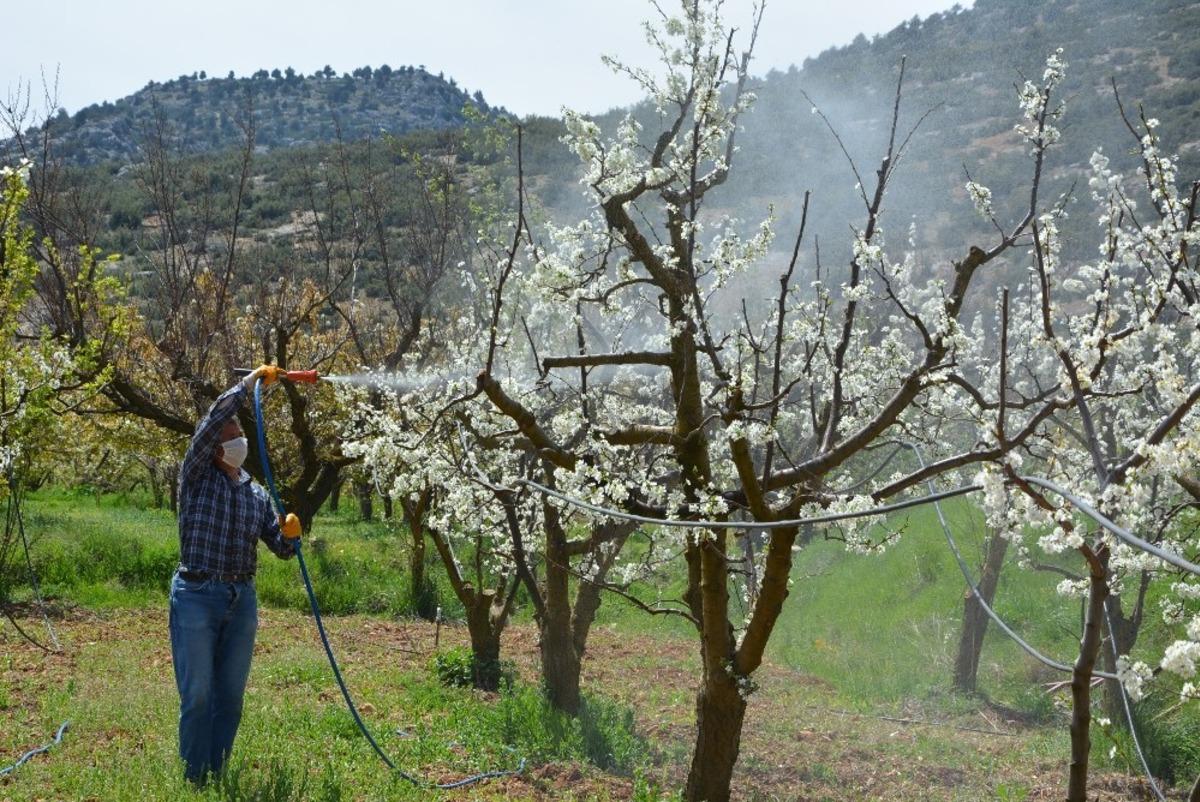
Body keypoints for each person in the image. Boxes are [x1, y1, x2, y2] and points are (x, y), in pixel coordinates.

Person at [169, 364, 301, 784]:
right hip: (197, 594)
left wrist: (292, 535)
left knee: (230, 696)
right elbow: (213, 418)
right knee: (198, 694)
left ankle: (216, 770)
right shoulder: (196, 476)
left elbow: (280, 549)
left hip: (240, 599)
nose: (238, 439)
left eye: (239, 433)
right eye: (230, 435)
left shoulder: (255, 493)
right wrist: (248, 385)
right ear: (214, 446)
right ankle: (194, 778)